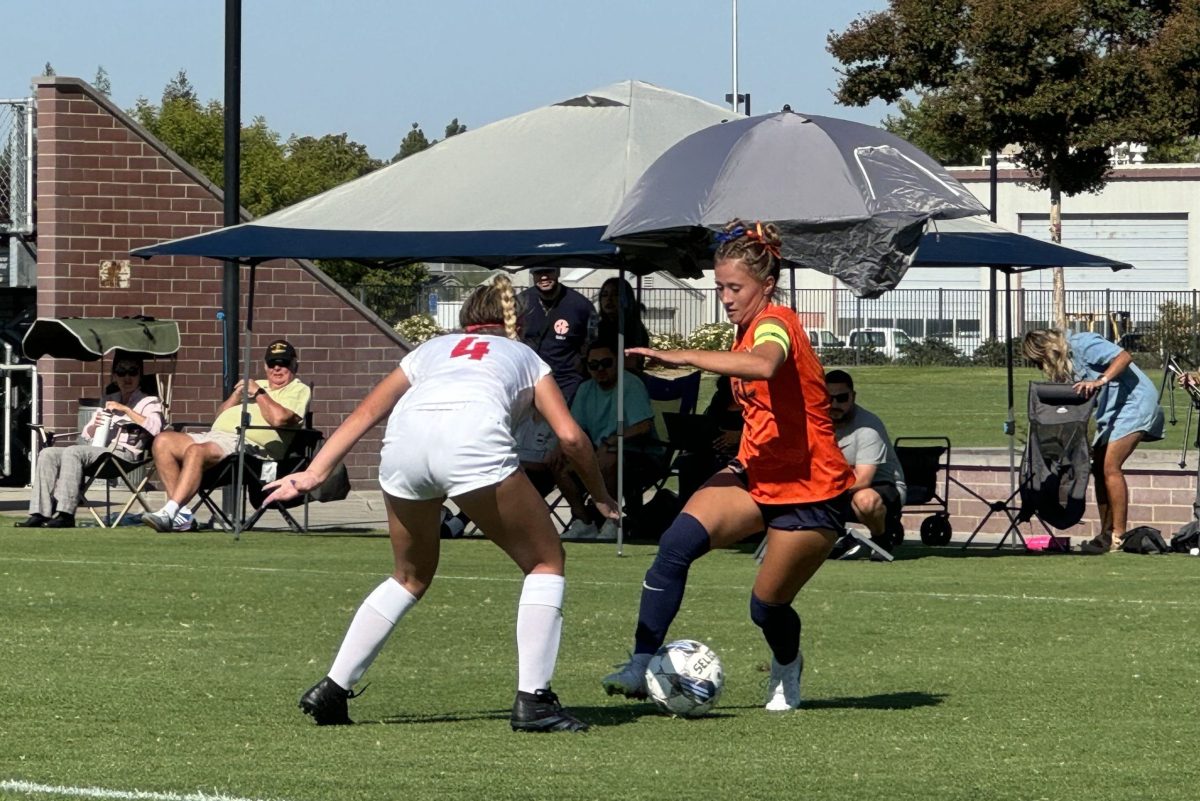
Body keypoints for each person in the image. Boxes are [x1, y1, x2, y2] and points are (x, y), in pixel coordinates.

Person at [263, 275, 618, 733]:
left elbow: (367, 412)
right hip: (471, 441)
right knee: (545, 563)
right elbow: (570, 437)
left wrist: (313, 473)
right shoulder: (526, 355)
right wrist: (601, 495)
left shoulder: (431, 349)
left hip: (405, 447)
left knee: (409, 577)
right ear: (515, 324)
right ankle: (535, 700)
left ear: (466, 318)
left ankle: (332, 687)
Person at [601, 220, 856, 711]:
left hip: (811, 487)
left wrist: (679, 356)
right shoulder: (744, 328)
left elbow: (765, 365)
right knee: (674, 547)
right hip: (755, 472)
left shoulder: (776, 322)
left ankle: (786, 666)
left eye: (735, 287)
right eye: (719, 286)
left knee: (766, 607)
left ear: (767, 285)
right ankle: (640, 663)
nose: (725, 296)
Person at [142, 339, 311, 533]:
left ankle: (169, 511)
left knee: (196, 451)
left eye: (284, 363)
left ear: (294, 365)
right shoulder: (258, 385)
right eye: (272, 363)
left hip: (251, 448)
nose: (277, 368)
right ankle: (181, 517)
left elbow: (279, 419)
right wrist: (236, 396)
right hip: (217, 436)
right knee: (163, 440)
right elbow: (219, 417)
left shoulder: (298, 389)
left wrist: (259, 393)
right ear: (265, 366)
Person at [1022, 329, 1164, 554]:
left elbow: (1125, 357)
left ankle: (1118, 535)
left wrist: (1101, 380)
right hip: (1111, 411)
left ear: (1046, 349)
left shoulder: (1082, 343)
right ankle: (1106, 533)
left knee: (1110, 466)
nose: (1041, 367)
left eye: (1039, 361)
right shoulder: (1066, 363)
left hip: (1135, 401)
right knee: (1098, 467)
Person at [18, 352, 164, 529]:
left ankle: (65, 514)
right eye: (121, 372)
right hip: (98, 451)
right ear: (115, 376)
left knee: (74, 451)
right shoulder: (109, 400)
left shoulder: (149, 401)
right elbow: (86, 435)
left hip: (123, 455)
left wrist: (125, 410)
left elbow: (156, 427)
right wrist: (94, 424)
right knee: (48, 453)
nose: (127, 377)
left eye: (132, 372)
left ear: (140, 376)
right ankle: (40, 513)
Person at [556, 339, 667, 540]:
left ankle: (613, 520)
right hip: (599, 453)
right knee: (557, 461)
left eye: (606, 363)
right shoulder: (585, 389)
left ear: (617, 362)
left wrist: (612, 442)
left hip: (642, 455)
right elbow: (575, 428)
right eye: (594, 365)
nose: (600, 369)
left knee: (608, 457)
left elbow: (643, 426)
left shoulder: (630, 384)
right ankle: (584, 522)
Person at [825, 369, 906, 544]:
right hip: (833, 485)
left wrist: (819, 490)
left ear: (853, 396)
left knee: (865, 500)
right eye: (828, 398)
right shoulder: (815, 422)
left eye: (841, 398)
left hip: (881, 486)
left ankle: (881, 537)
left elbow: (863, 480)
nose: (834, 404)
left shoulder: (868, 427)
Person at [518, 266, 596, 405]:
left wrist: (583, 363)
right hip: (529, 380)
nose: (543, 277)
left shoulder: (581, 305)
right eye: (538, 272)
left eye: (548, 271)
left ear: (558, 272)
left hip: (567, 382)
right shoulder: (520, 303)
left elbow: (593, 341)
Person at [674, 375, 743, 504]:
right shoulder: (721, 398)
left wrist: (740, 435)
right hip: (712, 449)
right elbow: (710, 422)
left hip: (742, 452)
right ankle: (687, 508)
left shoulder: (755, 403)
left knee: (716, 466)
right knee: (687, 462)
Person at [595, 276, 650, 375]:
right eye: (604, 295)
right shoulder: (599, 327)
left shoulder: (633, 328)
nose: (609, 299)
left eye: (616, 294)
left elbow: (632, 362)